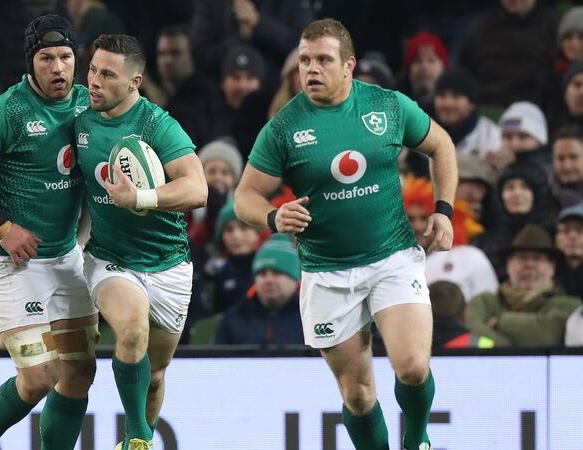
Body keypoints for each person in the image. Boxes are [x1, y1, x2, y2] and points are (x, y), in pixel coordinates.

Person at [234, 19, 458, 450]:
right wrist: (273, 217)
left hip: (392, 256)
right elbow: (246, 195)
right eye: (304, 61)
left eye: (322, 60)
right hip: (327, 272)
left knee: (411, 366)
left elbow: (441, 146)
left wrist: (443, 211)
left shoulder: (388, 107)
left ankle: (417, 440)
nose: (311, 70)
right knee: (357, 396)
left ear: (349, 65)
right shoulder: (283, 129)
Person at [0, 15, 98, 450]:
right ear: (31, 63)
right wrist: (4, 228)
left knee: (80, 371)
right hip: (11, 261)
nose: (59, 68)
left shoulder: (90, 104)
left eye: (66, 57)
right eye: (47, 58)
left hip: (64, 257)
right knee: (39, 377)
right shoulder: (6, 111)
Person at [74, 34, 207, 449]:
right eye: (92, 69)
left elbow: (198, 188)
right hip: (110, 258)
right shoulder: (77, 113)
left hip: (168, 263)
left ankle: (139, 431)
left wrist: (142, 198)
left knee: (156, 374)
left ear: (134, 82)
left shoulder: (157, 124)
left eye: (108, 74)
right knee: (130, 328)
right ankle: (137, 437)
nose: (94, 81)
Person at [467, 224, 581, 347]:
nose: (529, 264)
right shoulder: (485, 302)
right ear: (507, 265)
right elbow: (469, 331)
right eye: (521, 258)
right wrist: (511, 350)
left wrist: (501, 322)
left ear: (552, 268)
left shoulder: (570, 305)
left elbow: (550, 335)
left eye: (538, 258)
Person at [214, 233, 304, 345]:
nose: (269, 280)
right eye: (262, 274)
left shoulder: (311, 319)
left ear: (295, 279)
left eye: (277, 273)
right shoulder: (233, 319)